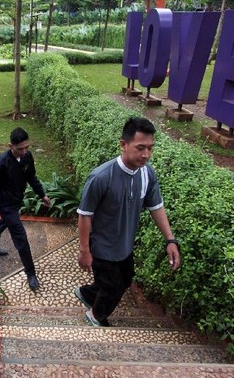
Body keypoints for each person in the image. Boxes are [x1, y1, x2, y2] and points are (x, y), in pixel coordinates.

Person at [75, 117, 181, 326]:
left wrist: (171, 239)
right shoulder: (101, 177)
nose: (146, 155)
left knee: (125, 278)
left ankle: (86, 294)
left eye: (150, 148)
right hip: (103, 247)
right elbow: (85, 215)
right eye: (140, 148)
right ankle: (96, 316)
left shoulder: (147, 173)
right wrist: (84, 251)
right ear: (123, 145)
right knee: (112, 286)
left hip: (125, 245)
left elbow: (156, 206)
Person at [0, 127, 51, 291]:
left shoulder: (27, 157)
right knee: (20, 236)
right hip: (4, 203)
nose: (24, 151)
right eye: (20, 148)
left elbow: (31, 177)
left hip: (16, 199)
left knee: (5, 222)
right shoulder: (0, 163)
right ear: (10, 146)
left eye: (26, 147)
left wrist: (42, 195)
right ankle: (31, 274)